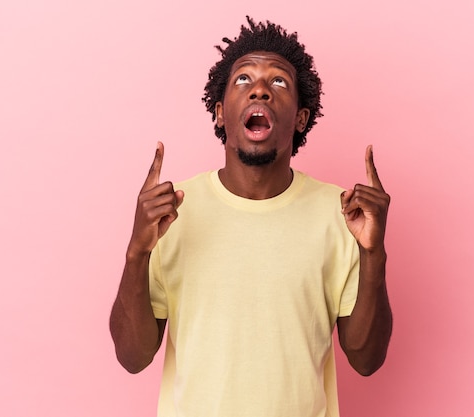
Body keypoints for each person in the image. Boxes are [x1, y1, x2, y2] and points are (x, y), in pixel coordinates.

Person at [109, 16, 392, 417]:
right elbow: (132, 356)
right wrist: (137, 252)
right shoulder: (172, 212)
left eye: (278, 82)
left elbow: (366, 361)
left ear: (300, 119)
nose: (260, 88)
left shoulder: (342, 214)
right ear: (222, 113)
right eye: (244, 79)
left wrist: (374, 254)